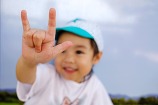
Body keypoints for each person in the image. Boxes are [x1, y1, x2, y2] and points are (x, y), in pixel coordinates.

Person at [16, 8, 113, 105]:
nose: (69, 59)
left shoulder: (95, 88)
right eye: (62, 50)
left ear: (96, 57)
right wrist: (28, 62)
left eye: (79, 52)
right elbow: (25, 77)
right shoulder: (48, 75)